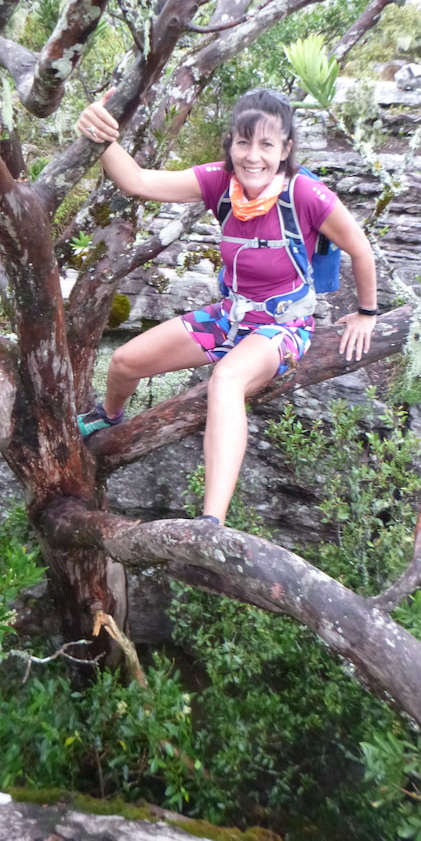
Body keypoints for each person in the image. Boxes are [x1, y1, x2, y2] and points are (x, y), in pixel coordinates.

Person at [76, 87, 377, 526]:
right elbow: (138, 181)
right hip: (229, 316)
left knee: (227, 380)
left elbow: (359, 248)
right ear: (230, 144)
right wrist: (101, 135)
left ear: (286, 148)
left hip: (283, 326)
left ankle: (210, 522)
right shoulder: (220, 181)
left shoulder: (306, 194)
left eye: (266, 144)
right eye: (243, 142)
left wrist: (367, 313)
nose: (253, 156)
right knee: (124, 361)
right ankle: (109, 417)